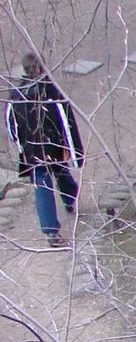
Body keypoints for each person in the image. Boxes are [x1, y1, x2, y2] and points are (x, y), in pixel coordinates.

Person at [5, 52, 84, 248]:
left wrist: (21, 145)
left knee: (41, 184)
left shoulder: (17, 95)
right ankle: (70, 199)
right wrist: (75, 151)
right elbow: (67, 123)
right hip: (54, 145)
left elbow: (11, 125)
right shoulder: (51, 93)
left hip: (32, 150)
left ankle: (51, 232)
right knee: (61, 170)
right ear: (41, 68)